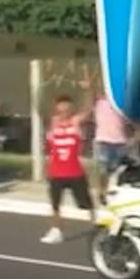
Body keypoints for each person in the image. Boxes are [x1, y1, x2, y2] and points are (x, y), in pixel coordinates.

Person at [40, 88, 97, 245]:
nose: (64, 110)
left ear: (71, 108)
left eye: (67, 107)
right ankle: (56, 231)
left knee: (86, 203)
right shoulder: (53, 123)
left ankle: (97, 225)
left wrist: (87, 91)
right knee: (55, 205)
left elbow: (88, 109)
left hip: (75, 172)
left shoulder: (76, 122)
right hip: (56, 172)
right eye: (61, 107)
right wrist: (47, 168)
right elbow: (50, 150)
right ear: (57, 108)